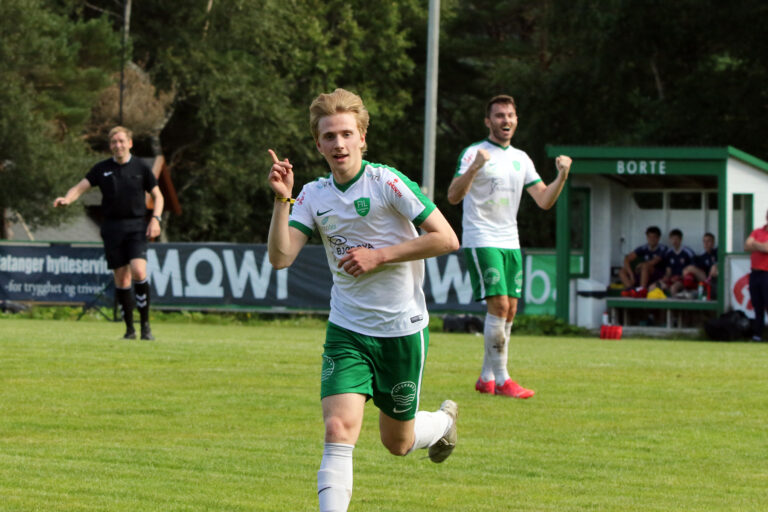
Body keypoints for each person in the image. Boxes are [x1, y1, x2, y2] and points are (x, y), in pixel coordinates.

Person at [267, 88, 460, 512]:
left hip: (401, 332)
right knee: (337, 429)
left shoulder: (387, 182)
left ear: (362, 138)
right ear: (318, 145)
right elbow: (281, 258)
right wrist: (283, 199)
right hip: (348, 331)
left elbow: (446, 239)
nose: (339, 143)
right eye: (329, 136)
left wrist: (379, 256)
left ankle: (443, 422)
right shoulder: (313, 195)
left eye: (346, 134)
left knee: (398, 443)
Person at [446, 94, 572, 399]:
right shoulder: (474, 153)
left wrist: (562, 175)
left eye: (510, 115)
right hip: (482, 238)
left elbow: (544, 200)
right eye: (499, 115)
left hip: (510, 241)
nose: (506, 120)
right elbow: (452, 196)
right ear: (488, 121)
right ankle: (503, 380)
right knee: (500, 306)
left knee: (510, 309)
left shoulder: (522, 158)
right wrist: (475, 167)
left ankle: (486, 377)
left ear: (516, 120)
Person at [53, 126, 163, 340]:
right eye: (114, 142)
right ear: (110, 145)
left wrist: (156, 219)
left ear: (130, 143)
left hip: (136, 226)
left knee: (138, 271)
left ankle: (145, 326)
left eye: (121, 141)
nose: (118, 145)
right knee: (121, 278)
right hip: (112, 228)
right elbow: (79, 188)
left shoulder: (141, 167)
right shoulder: (101, 168)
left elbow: (158, 196)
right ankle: (130, 330)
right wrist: (67, 198)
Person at [619, 226, 667, 297]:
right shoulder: (644, 247)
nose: (651, 239)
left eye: (654, 237)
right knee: (622, 271)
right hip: (643, 273)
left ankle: (642, 290)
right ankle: (630, 290)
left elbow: (654, 262)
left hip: (657, 274)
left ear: (658, 238)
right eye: (649, 237)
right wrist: (631, 275)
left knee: (645, 266)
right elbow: (627, 259)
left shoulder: (663, 248)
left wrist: (641, 265)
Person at [745, 209, 768, 341]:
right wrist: (761, 246)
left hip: (767, 273)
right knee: (757, 305)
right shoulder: (757, 231)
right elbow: (746, 246)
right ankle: (757, 335)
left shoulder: (756, 235)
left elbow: (766, 248)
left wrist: (755, 244)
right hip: (755, 273)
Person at [650, 229, 695, 296]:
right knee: (652, 287)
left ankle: (674, 303)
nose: (674, 241)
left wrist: (680, 277)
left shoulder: (688, 252)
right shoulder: (669, 253)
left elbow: (692, 270)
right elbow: (668, 271)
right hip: (672, 279)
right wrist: (666, 278)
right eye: (672, 239)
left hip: (682, 280)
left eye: (676, 239)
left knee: (673, 288)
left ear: (681, 239)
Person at [681, 232, 718, 297]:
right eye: (704, 241)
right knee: (688, 269)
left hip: (716, 279)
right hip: (705, 278)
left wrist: (715, 265)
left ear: (713, 242)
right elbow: (699, 271)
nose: (706, 243)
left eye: (708, 241)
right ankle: (690, 289)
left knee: (714, 267)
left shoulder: (717, 252)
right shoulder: (702, 256)